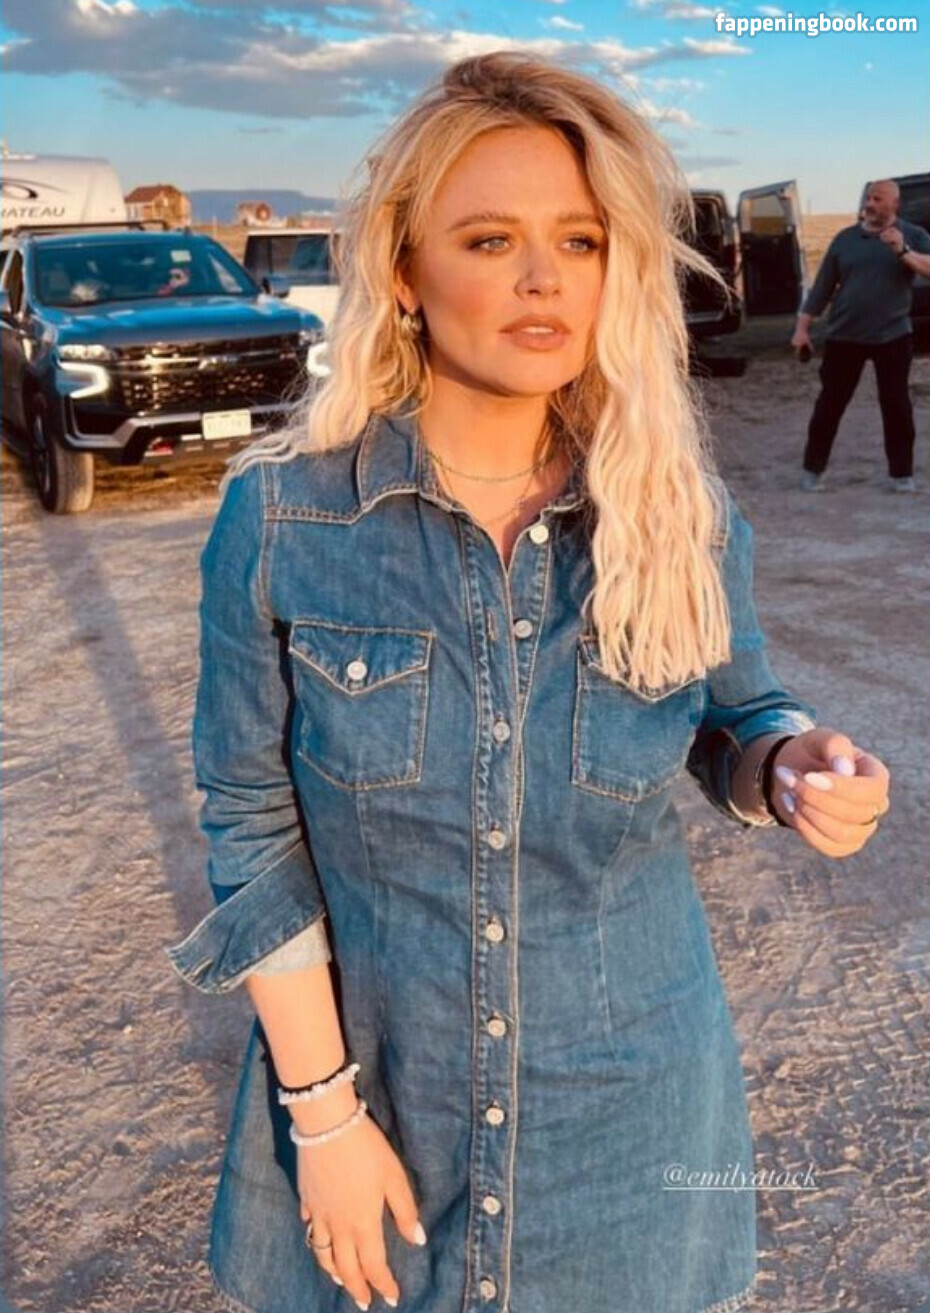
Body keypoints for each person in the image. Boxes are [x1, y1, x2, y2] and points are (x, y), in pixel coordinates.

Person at [168, 52, 891, 1313]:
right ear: (404, 270)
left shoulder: (675, 516)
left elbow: (735, 713)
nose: (545, 278)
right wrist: (322, 1115)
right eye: (491, 239)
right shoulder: (282, 522)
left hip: (630, 1122)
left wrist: (789, 768)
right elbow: (249, 818)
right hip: (376, 1110)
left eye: (582, 240)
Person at [791, 178, 930, 493]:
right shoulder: (845, 239)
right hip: (844, 336)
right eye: (869, 197)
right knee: (830, 404)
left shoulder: (913, 235)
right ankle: (813, 470)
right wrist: (802, 328)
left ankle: (901, 475)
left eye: (878, 199)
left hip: (893, 335)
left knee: (896, 405)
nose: (869, 204)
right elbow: (822, 287)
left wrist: (902, 250)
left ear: (895, 204)